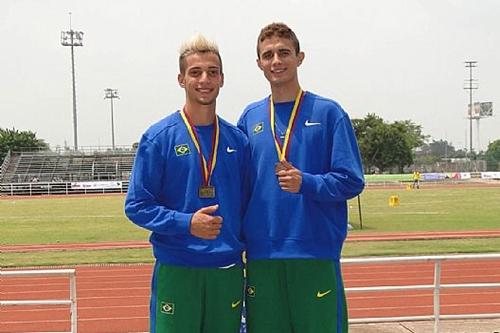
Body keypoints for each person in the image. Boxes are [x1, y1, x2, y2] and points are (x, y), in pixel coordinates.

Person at [237, 22, 365, 333]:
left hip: (313, 253)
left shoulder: (328, 113)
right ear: (259, 64)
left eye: (284, 53)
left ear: (300, 57)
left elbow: (352, 180)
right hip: (262, 256)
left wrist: (306, 182)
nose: (276, 61)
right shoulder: (250, 117)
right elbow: (239, 189)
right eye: (268, 55)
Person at [125, 34, 249, 333]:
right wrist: (186, 223)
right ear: (181, 79)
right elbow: (136, 206)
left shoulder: (238, 141)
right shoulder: (159, 138)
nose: (204, 79)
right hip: (178, 269)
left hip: (227, 271)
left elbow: (248, 206)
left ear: (222, 79)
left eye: (212, 72)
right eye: (195, 72)